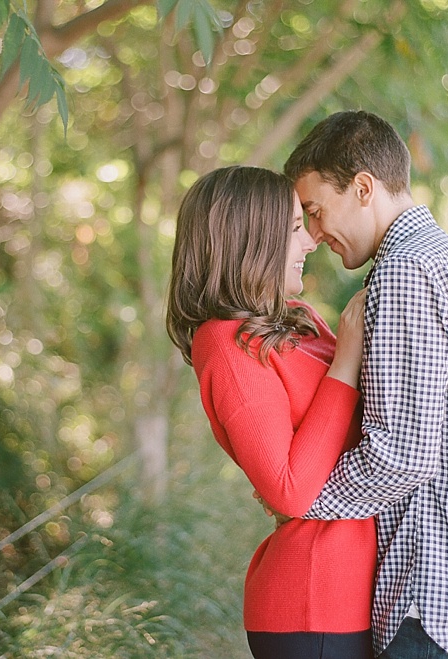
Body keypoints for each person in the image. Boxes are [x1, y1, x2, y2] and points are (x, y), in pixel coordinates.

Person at [279, 110, 448, 659]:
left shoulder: (404, 272)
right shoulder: (442, 257)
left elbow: (399, 456)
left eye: (316, 212)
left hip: (435, 609)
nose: (314, 235)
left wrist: (300, 499)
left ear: (363, 188)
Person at [166, 165, 378, 659]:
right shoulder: (224, 344)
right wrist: (347, 357)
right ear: (251, 241)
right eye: (292, 229)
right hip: (312, 602)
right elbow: (288, 489)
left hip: (357, 590)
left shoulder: (296, 319)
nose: (310, 242)